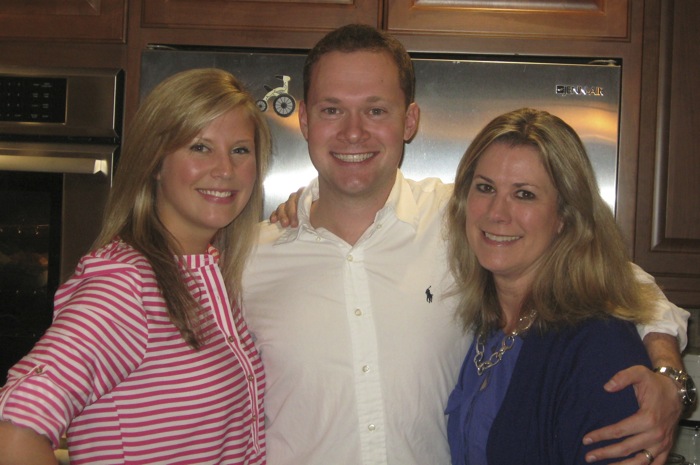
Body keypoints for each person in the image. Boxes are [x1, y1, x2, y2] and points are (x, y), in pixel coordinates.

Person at [243, 24, 689, 465]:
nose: (353, 132)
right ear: (304, 119)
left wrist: (668, 376)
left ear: (409, 121)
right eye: (332, 110)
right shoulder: (248, 258)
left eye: (376, 110)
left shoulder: (462, 219)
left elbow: (616, 284)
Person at [0, 68, 270, 465]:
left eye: (240, 150)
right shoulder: (126, 286)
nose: (225, 169)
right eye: (200, 147)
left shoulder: (210, 271)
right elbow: (14, 431)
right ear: (155, 163)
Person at [444, 107, 668, 464]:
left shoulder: (598, 345)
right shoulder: (492, 328)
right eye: (485, 188)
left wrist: (671, 378)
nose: (496, 213)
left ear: (565, 216)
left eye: (525, 194)